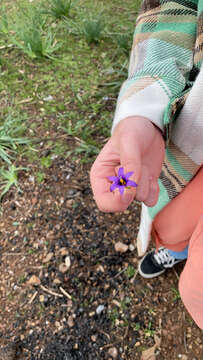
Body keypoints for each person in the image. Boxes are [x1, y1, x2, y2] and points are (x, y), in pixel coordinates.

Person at [90, 0, 203, 329]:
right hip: (190, 146)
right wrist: (143, 113)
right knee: (170, 216)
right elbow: (169, 10)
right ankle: (177, 249)